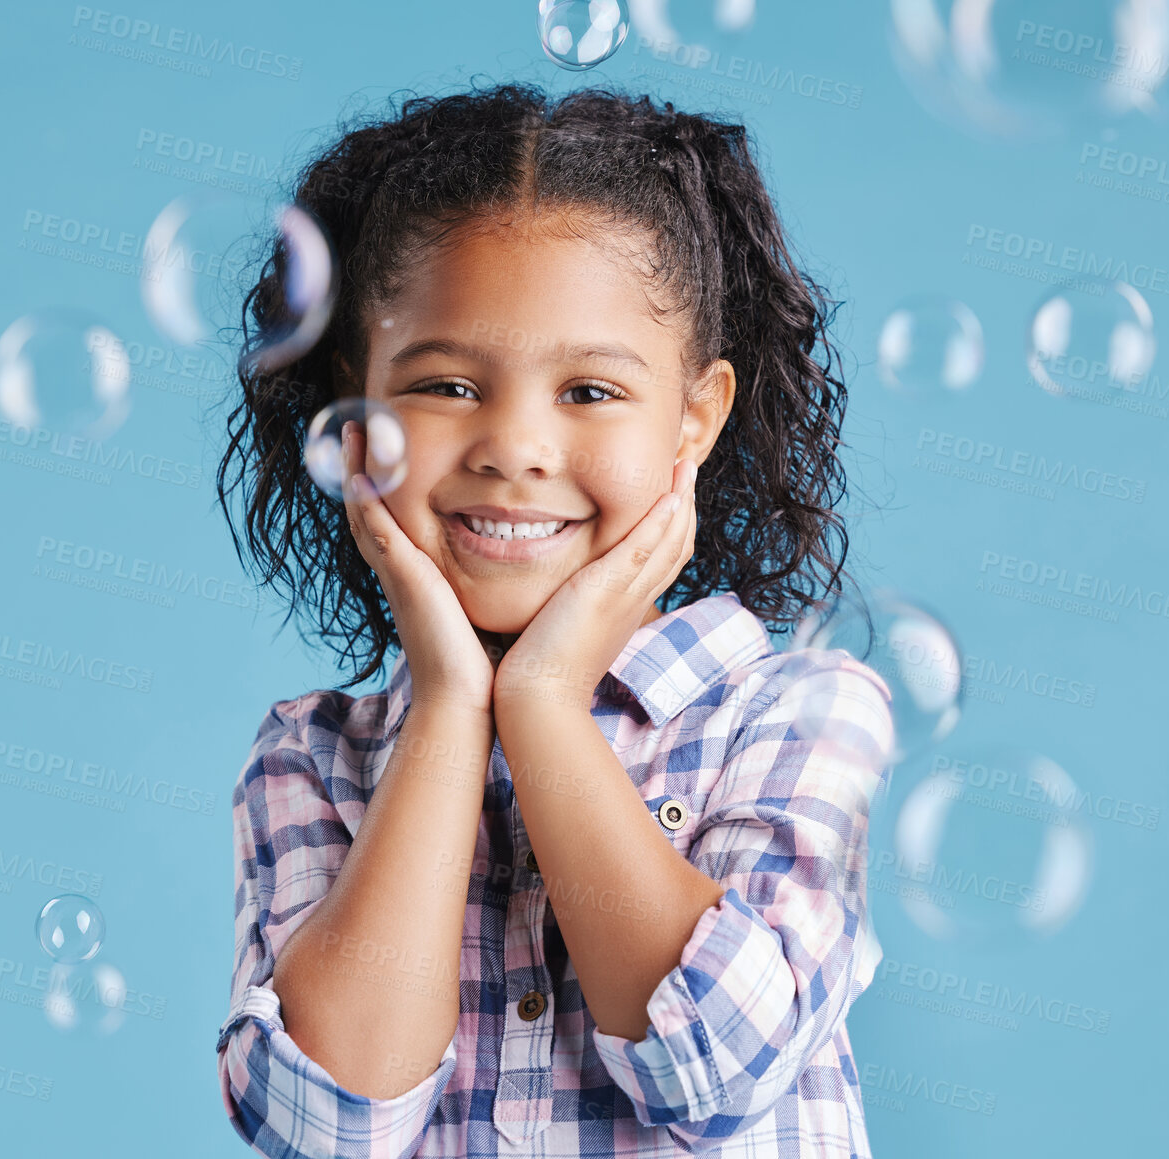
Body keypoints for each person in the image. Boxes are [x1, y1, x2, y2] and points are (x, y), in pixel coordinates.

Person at [213, 80, 896, 1158]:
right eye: (444, 385)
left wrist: (542, 703)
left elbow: (719, 1062)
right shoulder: (313, 755)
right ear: (355, 405)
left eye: (588, 392)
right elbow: (328, 1120)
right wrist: (447, 709)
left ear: (696, 417)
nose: (514, 449)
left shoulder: (799, 711)